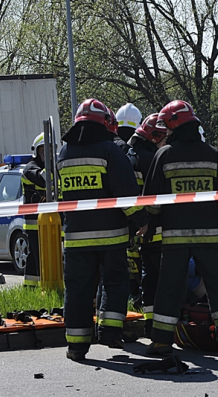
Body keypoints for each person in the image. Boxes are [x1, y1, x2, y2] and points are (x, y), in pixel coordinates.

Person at [143, 100, 218, 356]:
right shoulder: (212, 155)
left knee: (169, 286)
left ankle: (162, 341)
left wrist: (151, 227)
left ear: (172, 126)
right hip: (209, 235)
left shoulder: (164, 155)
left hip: (174, 237)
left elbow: (152, 201)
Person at [57, 98, 148, 361]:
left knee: (77, 289)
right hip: (111, 236)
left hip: (75, 237)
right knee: (115, 282)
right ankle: (109, 332)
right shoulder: (110, 151)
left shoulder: (63, 153)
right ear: (104, 123)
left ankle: (76, 345)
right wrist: (139, 220)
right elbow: (125, 193)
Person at [127, 114, 168, 332]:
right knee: (163, 278)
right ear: (155, 136)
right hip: (157, 227)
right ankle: (165, 324)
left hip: (138, 227)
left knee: (148, 277)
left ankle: (151, 322)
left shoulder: (131, 155)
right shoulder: (153, 158)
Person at [21, 133, 47, 288]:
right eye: (43, 150)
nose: (46, 154)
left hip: (51, 221)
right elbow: (43, 180)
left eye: (49, 150)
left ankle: (31, 287)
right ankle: (38, 287)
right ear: (36, 151)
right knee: (39, 256)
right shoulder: (30, 168)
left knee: (36, 256)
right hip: (34, 222)